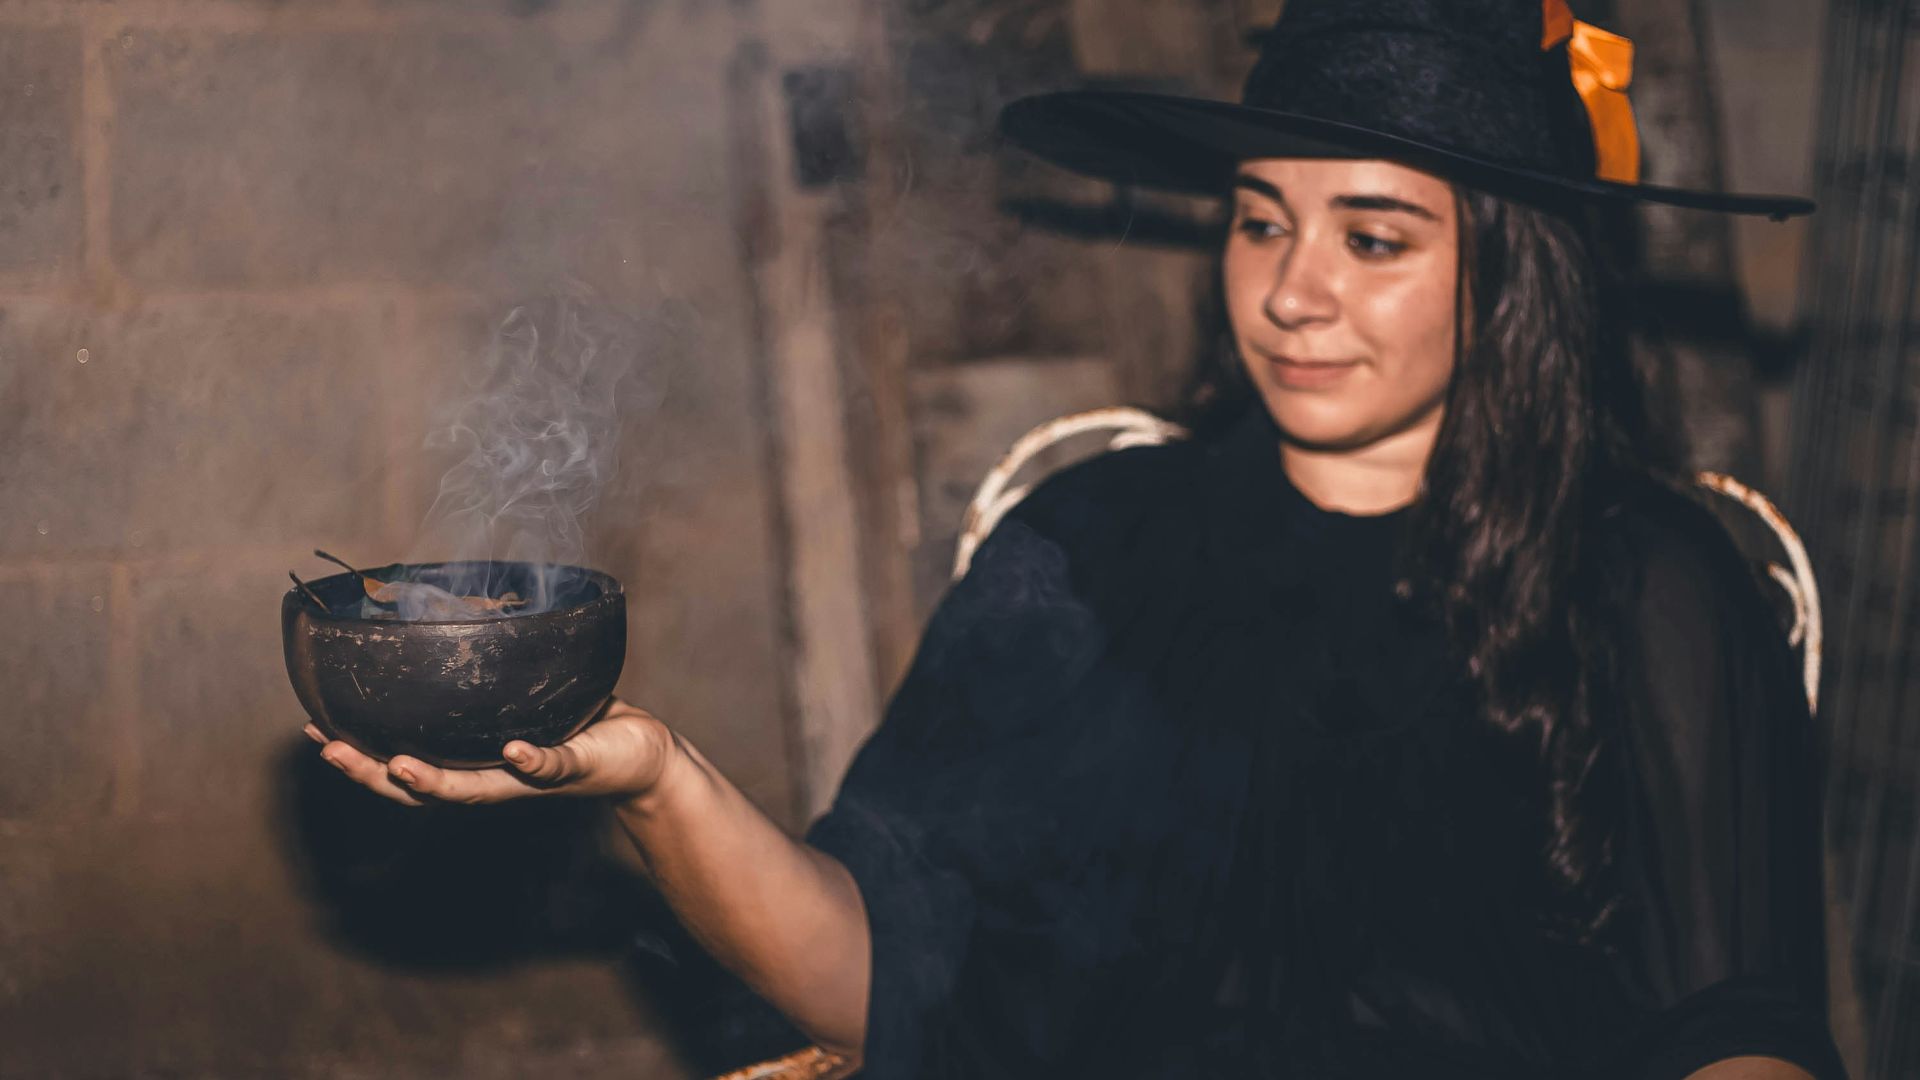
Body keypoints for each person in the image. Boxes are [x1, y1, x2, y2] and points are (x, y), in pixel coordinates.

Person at [312, 1, 1847, 1076]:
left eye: (1373, 238)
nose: (1293, 289)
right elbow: (879, 972)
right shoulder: (1097, 551)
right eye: (1261, 220)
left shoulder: (1651, 585)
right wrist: (653, 779)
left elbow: (1740, 1028)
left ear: (1513, 279)